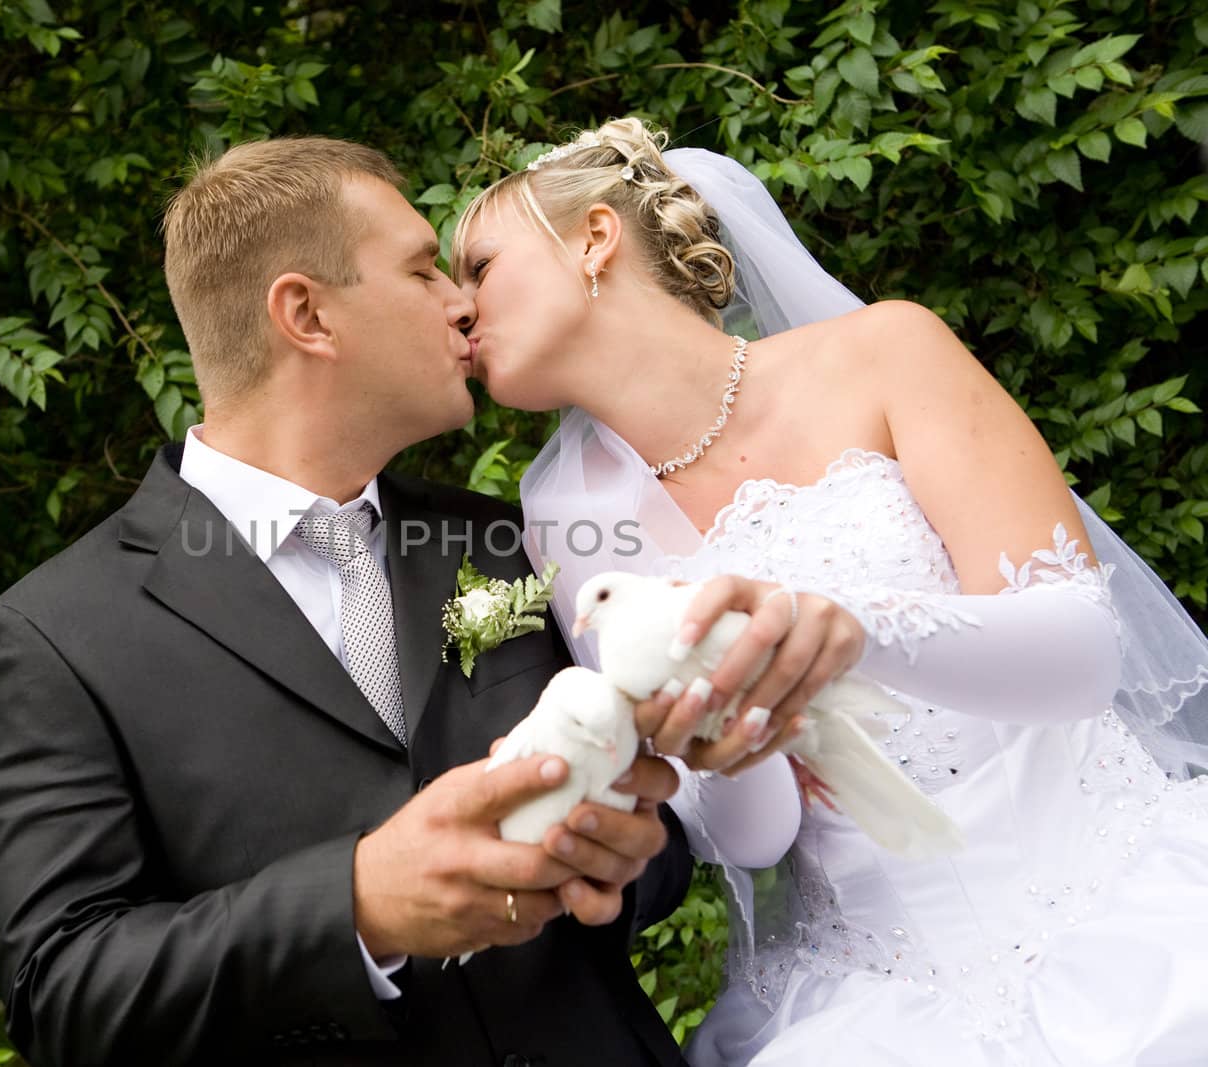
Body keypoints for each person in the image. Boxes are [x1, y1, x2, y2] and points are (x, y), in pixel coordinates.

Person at [452, 116, 1208, 1065]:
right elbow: (755, 839)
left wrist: (848, 630)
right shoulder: (561, 512)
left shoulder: (887, 352)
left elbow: (1085, 655)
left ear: (595, 238)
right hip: (881, 1002)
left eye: (479, 266)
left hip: (1127, 907)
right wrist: (732, 741)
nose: (457, 307)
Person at [0, 135, 721, 1066]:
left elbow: (665, 840)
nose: (463, 301)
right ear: (308, 316)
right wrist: (355, 903)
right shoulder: (59, 635)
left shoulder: (514, 536)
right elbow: (65, 992)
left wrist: (630, 854)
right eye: (419, 270)